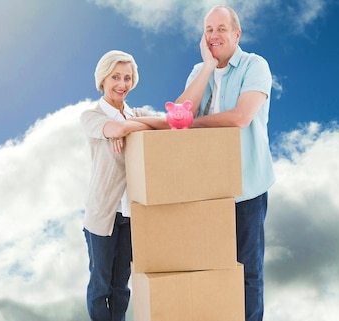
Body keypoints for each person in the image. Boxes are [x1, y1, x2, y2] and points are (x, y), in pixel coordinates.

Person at [175, 5, 275, 321]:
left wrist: (193, 123)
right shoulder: (198, 70)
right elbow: (179, 114)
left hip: (245, 188)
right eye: (208, 30)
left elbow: (241, 117)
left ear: (236, 33)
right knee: (208, 269)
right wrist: (207, 67)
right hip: (205, 189)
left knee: (247, 272)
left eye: (221, 28)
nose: (214, 35)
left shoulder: (254, 66)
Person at [80, 50, 166, 321]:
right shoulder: (91, 115)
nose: (122, 84)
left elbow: (167, 123)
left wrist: (127, 124)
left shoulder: (135, 113)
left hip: (131, 214)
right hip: (103, 214)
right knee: (100, 285)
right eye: (115, 77)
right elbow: (114, 130)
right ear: (103, 79)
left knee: (121, 285)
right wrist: (124, 129)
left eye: (127, 78)